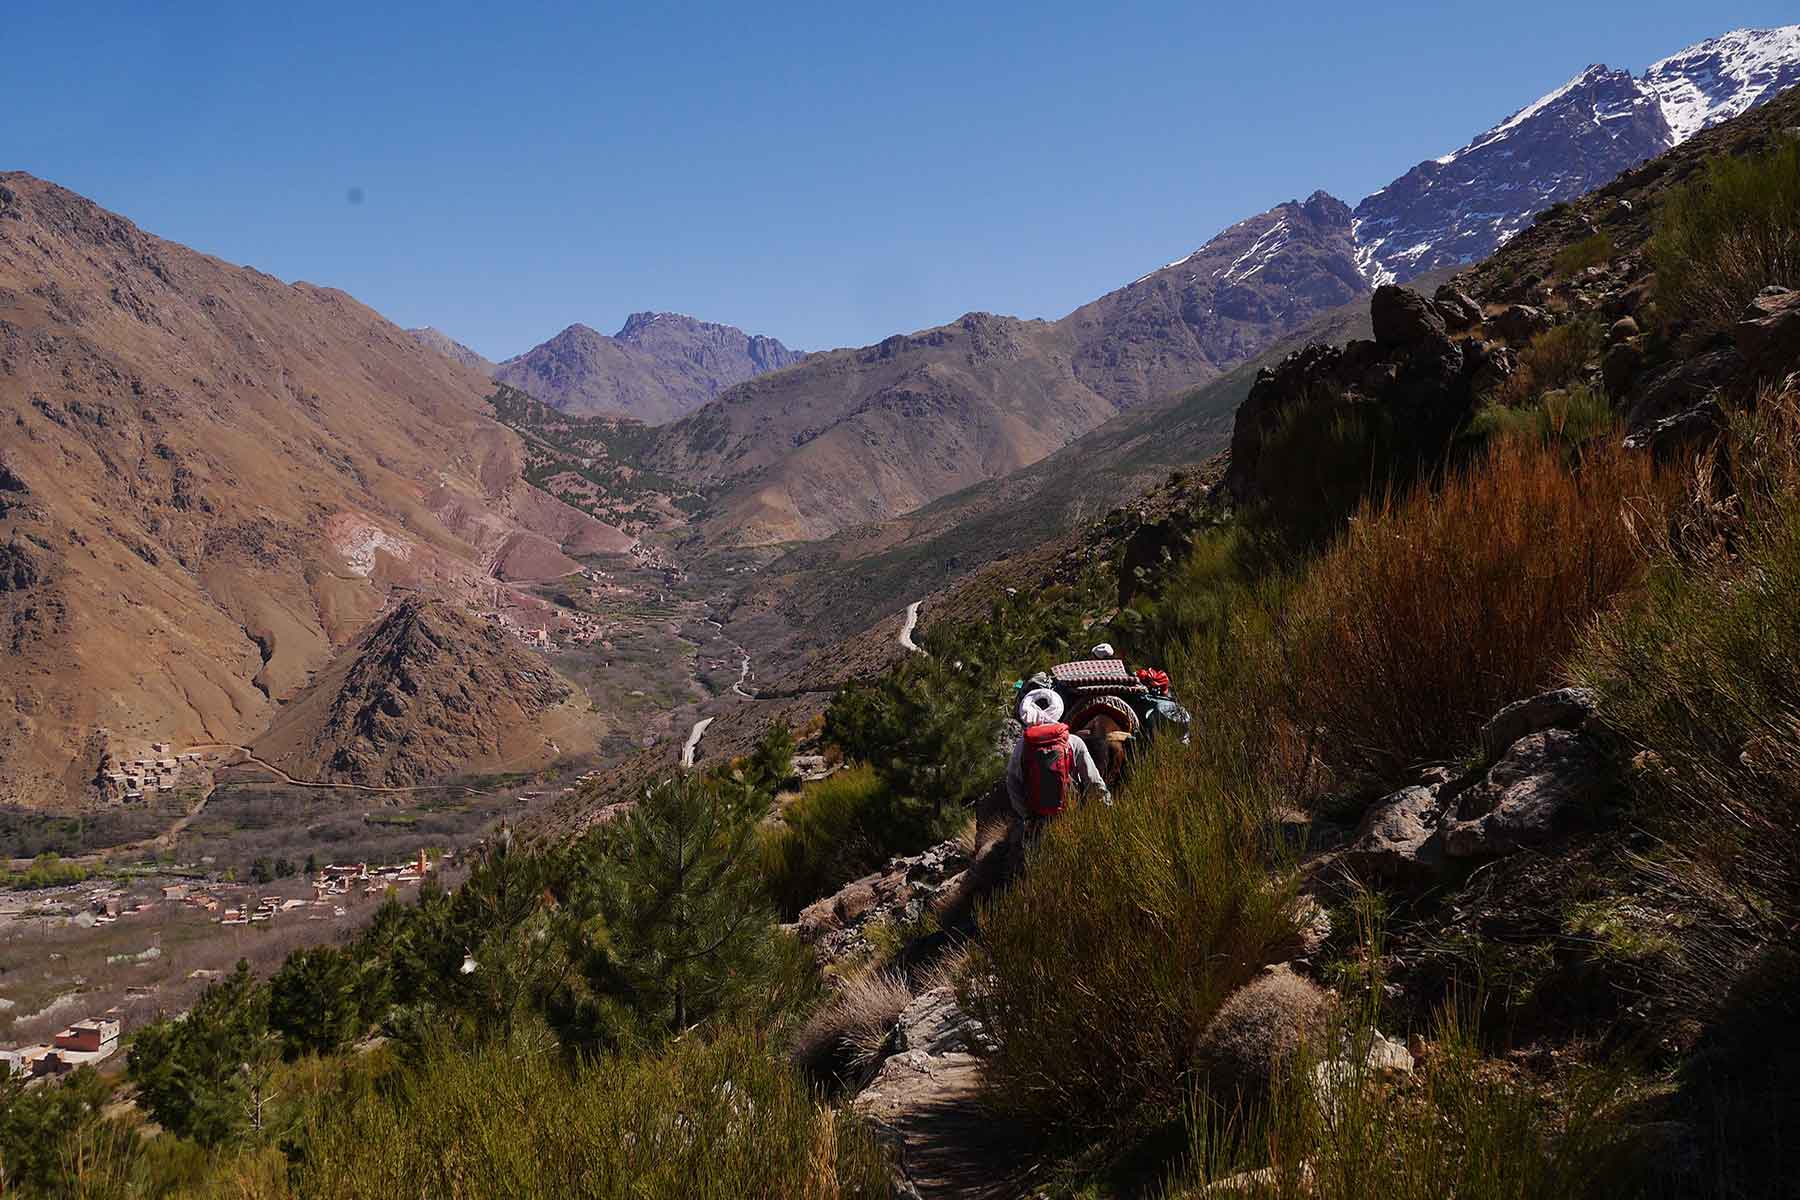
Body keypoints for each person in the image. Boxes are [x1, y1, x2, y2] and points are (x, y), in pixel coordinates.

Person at [1007, 688, 1110, 831]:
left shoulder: (1022, 745)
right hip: (1070, 810)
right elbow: (1092, 780)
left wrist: (1026, 815)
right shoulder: (1074, 741)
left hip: (1037, 816)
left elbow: (1012, 782)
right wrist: (1107, 805)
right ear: (1058, 710)